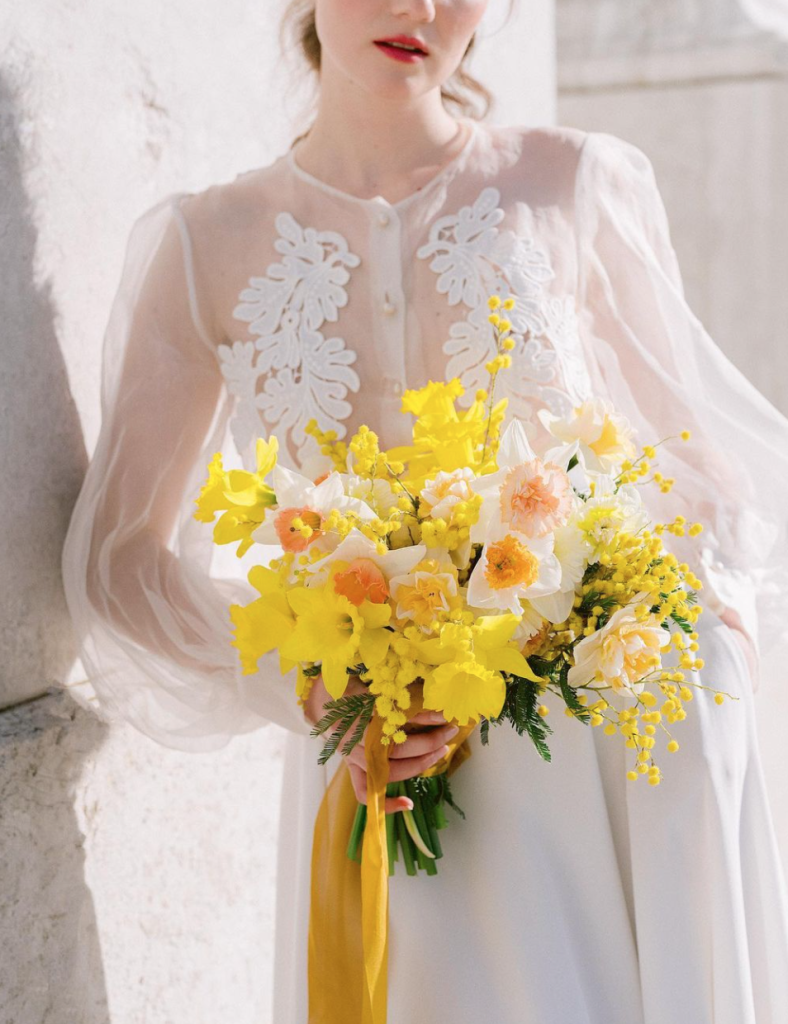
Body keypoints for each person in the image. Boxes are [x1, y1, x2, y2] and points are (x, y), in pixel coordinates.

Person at [61, 0, 788, 1020]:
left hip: (593, 763)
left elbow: (702, 477)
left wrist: (709, 657)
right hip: (380, 774)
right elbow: (117, 561)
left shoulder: (570, 182)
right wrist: (308, 679)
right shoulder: (206, 243)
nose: (418, 7)